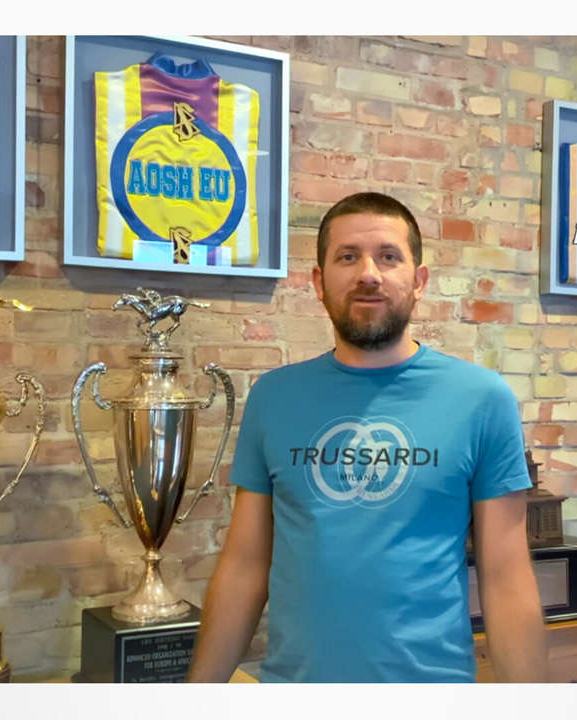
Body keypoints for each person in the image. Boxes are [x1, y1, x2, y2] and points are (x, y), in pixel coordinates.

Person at [186, 192, 550, 682]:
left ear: (419, 281)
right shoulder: (273, 398)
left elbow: (506, 579)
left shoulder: (482, 399)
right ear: (319, 282)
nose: (369, 274)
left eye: (388, 256)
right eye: (348, 257)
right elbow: (244, 567)